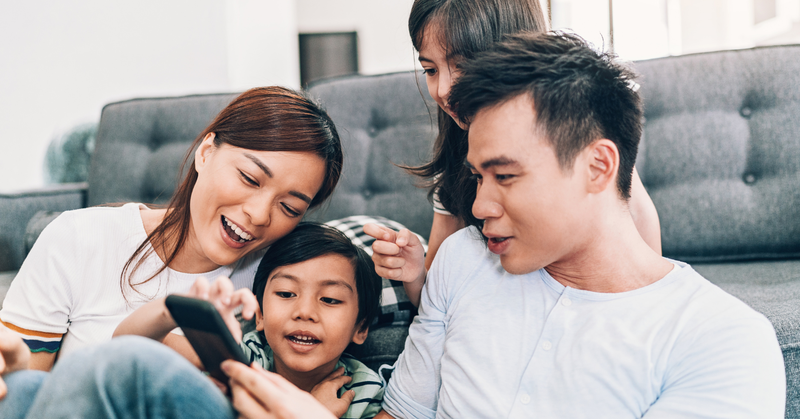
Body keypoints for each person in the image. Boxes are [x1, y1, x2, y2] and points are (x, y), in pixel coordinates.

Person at [371, 32, 786, 418]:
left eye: (506, 176)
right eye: (479, 177)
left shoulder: (724, 341)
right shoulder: (462, 259)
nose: (479, 206)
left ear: (598, 167)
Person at [0, 86, 343, 371]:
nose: (258, 215)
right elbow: (28, 389)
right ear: (206, 152)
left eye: (289, 207)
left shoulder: (280, 284)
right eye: (250, 178)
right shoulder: (80, 237)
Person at [369, 0, 663, 307]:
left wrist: (646, 305)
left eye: (461, 66)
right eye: (430, 70)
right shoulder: (459, 156)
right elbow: (435, 301)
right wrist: (414, 274)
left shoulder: (576, 127)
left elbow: (636, 223)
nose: (443, 89)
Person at [114, 222, 384, 419]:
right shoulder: (240, 359)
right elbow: (127, 346)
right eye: (286, 293)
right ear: (259, 315)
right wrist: (174, 310)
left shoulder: (361, 392)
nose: (305, 311)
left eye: (330, 299)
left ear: (360, 327)